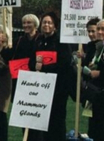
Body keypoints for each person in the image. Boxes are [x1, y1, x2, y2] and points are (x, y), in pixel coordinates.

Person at [28, 11, 72, 141]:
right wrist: (34, 66)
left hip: (58, 89)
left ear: (55, 26)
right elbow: (31, 60)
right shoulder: (38, 41)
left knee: (57, 122)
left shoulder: (61, 42)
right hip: (41, 89)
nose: (46, 25)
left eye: (49, 22)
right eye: (44, 22)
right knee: (43, 123)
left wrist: (45, 67)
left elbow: (65, 63)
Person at [5, 13, 40, 100]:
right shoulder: (19, 41)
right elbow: (9, 57)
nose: (26, 25)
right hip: (20, 80)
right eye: (24, 23)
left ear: (35, 25)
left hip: (36, 80)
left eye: (29, 23)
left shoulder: (41, 40)